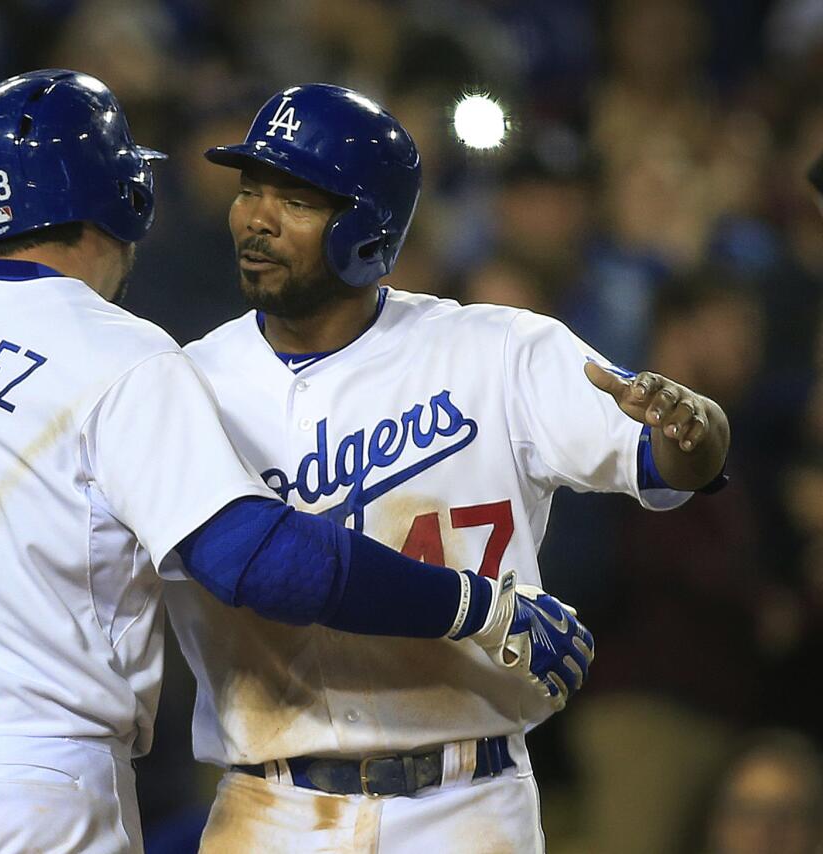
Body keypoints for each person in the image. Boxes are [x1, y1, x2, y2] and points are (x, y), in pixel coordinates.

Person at [0, 70, 592, 854]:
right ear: (122, 193)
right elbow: (257, 561)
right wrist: (473, 603)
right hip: (24, 784)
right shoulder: (117, 351)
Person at [158, 84, 728, 852]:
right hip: (269, 805)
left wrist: (696, 426)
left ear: (367, 228)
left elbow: (669, 457)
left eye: (294, 200)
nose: (256, 218)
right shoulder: (185, 381)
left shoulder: (497, 352)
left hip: (466, 802)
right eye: (250, 190)